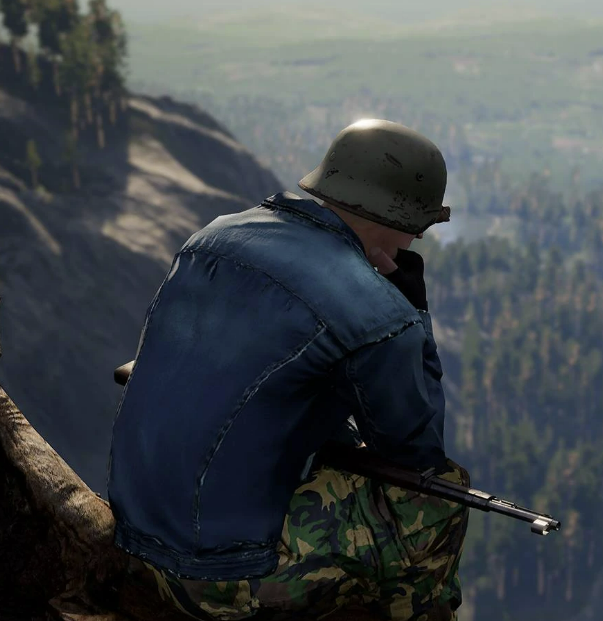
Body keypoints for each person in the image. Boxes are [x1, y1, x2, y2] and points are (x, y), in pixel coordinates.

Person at [107, 119, 467, 621]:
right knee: (440, 500)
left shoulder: (210, 238)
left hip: (133, 542)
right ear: (405, 223)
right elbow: (417, 454)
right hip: (219, 581)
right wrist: (413, 311)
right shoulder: (380, 313)